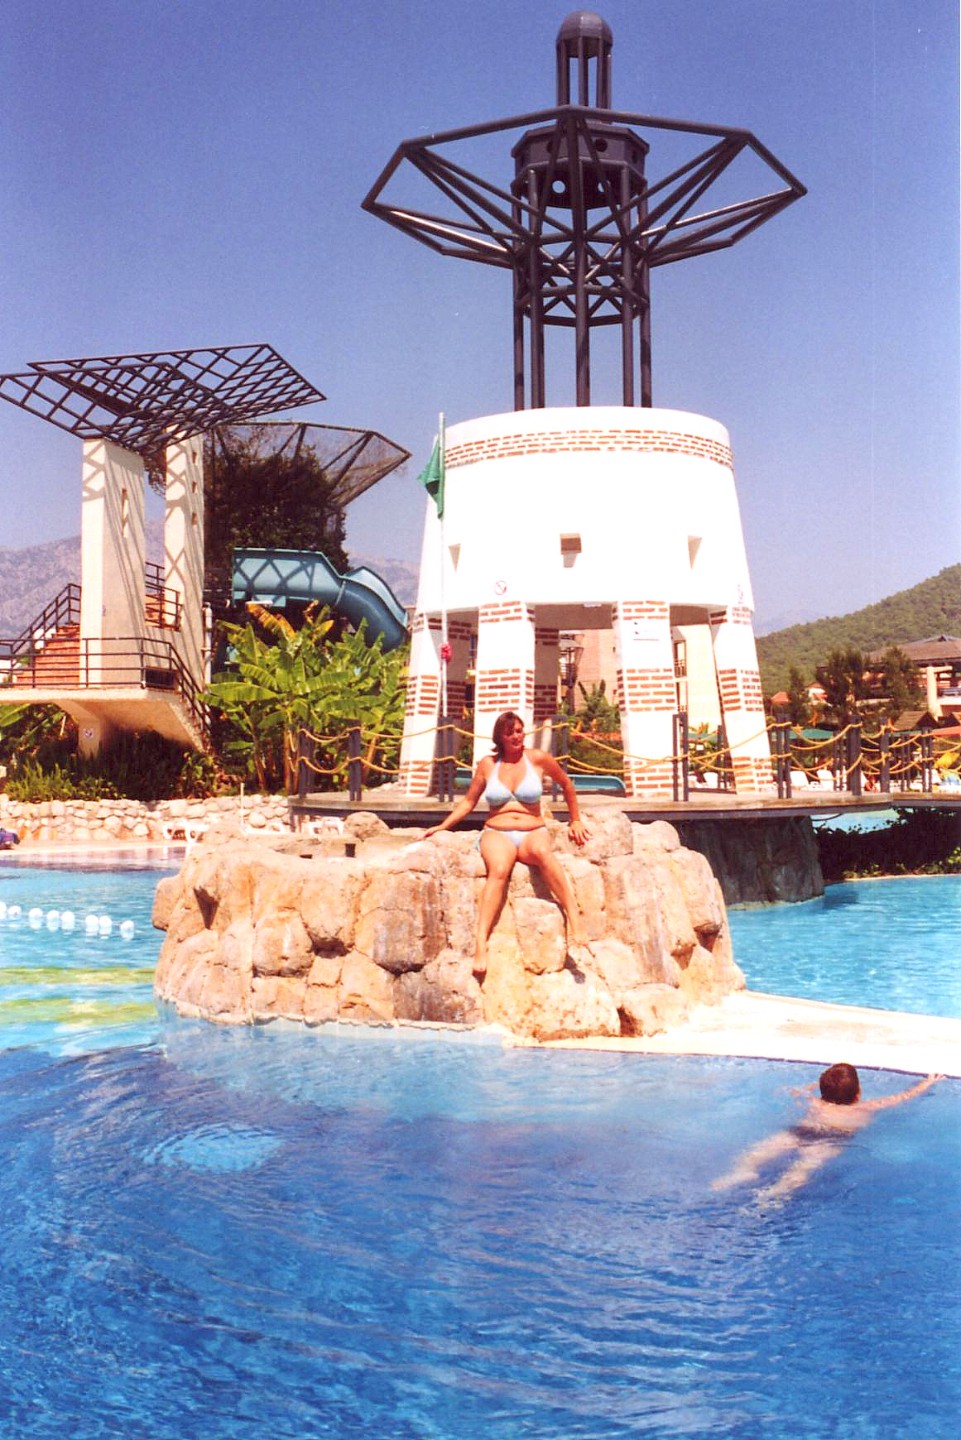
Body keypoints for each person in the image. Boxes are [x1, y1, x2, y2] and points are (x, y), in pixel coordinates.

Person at [424, 710, 592, 976]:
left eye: (519, 731)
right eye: (510, 732)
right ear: (500, 737)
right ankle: (481, 943)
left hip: (532, 829)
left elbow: (567, 785)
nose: (517, 736)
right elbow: (468, 802)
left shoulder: (537, 758)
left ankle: (574, 916)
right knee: (499, 870)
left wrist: (576, 820)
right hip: (497, 831)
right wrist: (442, 826)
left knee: (543, 852)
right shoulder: (488, 764)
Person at [712, 1063, 944, 1204]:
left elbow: (794, 1091)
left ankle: (741, 1172)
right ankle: (774, 1195)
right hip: (831, 1139)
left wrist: (816, 1086)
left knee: (758, 1152)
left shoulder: (815, 1103)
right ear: (858, 1094)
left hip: (801, 1131)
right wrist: (927, 1084)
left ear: (823, 1091)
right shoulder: (865, 1108)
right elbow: (903, 1097)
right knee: (803, 1168)